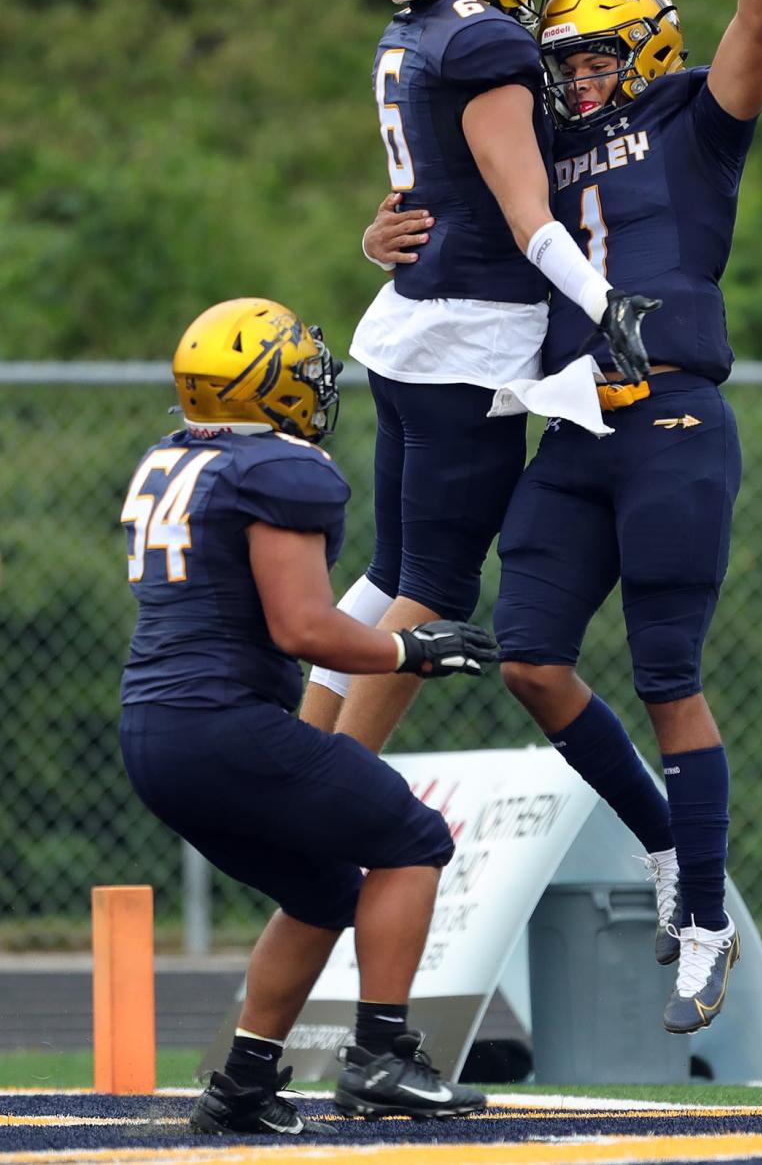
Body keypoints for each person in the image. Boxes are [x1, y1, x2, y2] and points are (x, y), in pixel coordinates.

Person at [493, 0, 762, 1035]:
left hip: (669, 410)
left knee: (669, 675)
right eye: (563, 62)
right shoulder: (550, 143)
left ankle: (706, 915)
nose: (576, 79)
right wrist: (382, 233)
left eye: (596, 55)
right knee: (527, 656)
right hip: (574, 422)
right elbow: (473, 206)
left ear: (650, 46)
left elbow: (761, 21)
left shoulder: (692, 118)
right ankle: (668, 846)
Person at [118, 296, 495, 1133]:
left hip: (153, 729)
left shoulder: (175, 457)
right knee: (414, 839)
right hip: (225, 723)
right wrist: (415, 652)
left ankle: (243, 1084)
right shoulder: (281, 470)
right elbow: (302, 626)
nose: (314, 382)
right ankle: (383, 1058)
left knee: (323, 886)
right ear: (265, 383)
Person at [302, 0, 659, 749]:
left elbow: (439, 187)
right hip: (470, 342)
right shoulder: (484, 40)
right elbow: (522, 210)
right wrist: (605, 301)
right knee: (437, 588)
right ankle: (332, 790)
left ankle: (306, 747)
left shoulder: (412, 33)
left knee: (390, 574)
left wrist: (371, 240)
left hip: (413, 336)